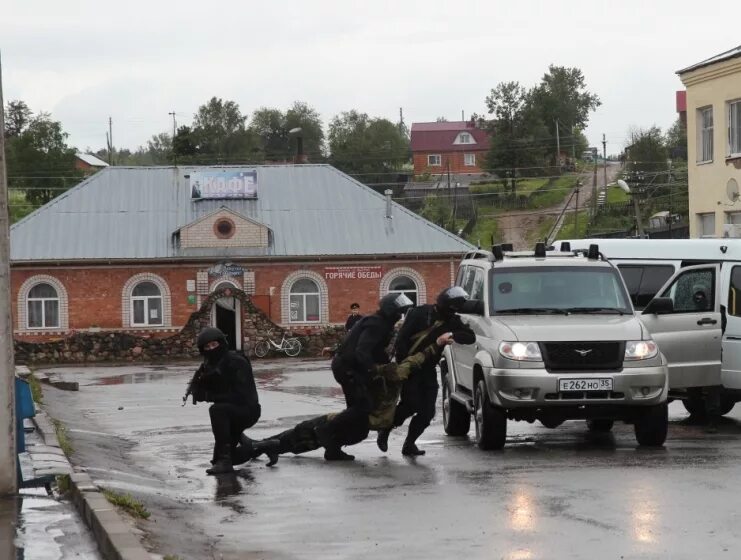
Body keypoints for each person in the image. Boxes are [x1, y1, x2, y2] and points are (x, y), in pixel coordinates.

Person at [249, 333, 455, 464]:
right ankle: (263, 446)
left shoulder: (376, 371)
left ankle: (263, 446)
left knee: (309, 432)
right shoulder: (392, 372)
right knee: (310, 437)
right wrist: (436, 344)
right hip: (363, 423)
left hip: (358, 420)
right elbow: (415, 360)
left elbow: (410, 362)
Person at [376, 286, 476, 456]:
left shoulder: (452, 321)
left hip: (428, 369)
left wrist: (451, 334)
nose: (455, 312)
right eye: (454, 308)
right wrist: (404, 365)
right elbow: (402, 339)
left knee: (428, 412)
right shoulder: (419, 313)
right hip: (411, 368)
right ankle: (385, 429)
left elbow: (470, 336)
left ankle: (409, 444)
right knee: (410, 405)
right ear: (448, 305)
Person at [321, 293, 414, 460]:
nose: (399, 317)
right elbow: (362, 351)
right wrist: (373, 371)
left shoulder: (377, 321)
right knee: (362, 408)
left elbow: (372, 350)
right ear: (390, 311)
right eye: (398, 313)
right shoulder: (376, 325)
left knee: (359, 415)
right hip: (349, 369)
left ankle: (333, 447)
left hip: (349, 367)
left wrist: (384, 365)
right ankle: (329, 429)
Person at [187, 327, 278, 475]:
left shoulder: (236, 361)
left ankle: (225, 462)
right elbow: (203, 386)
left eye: (214, 345)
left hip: (248, 410)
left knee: (217, 410)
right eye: (207, 347)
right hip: (229, 412)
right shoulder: (209, 365)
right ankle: (264, 446)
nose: (211, 349)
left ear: (221, 343)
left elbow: (242, 396)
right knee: (217, 460)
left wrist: (211, 397)